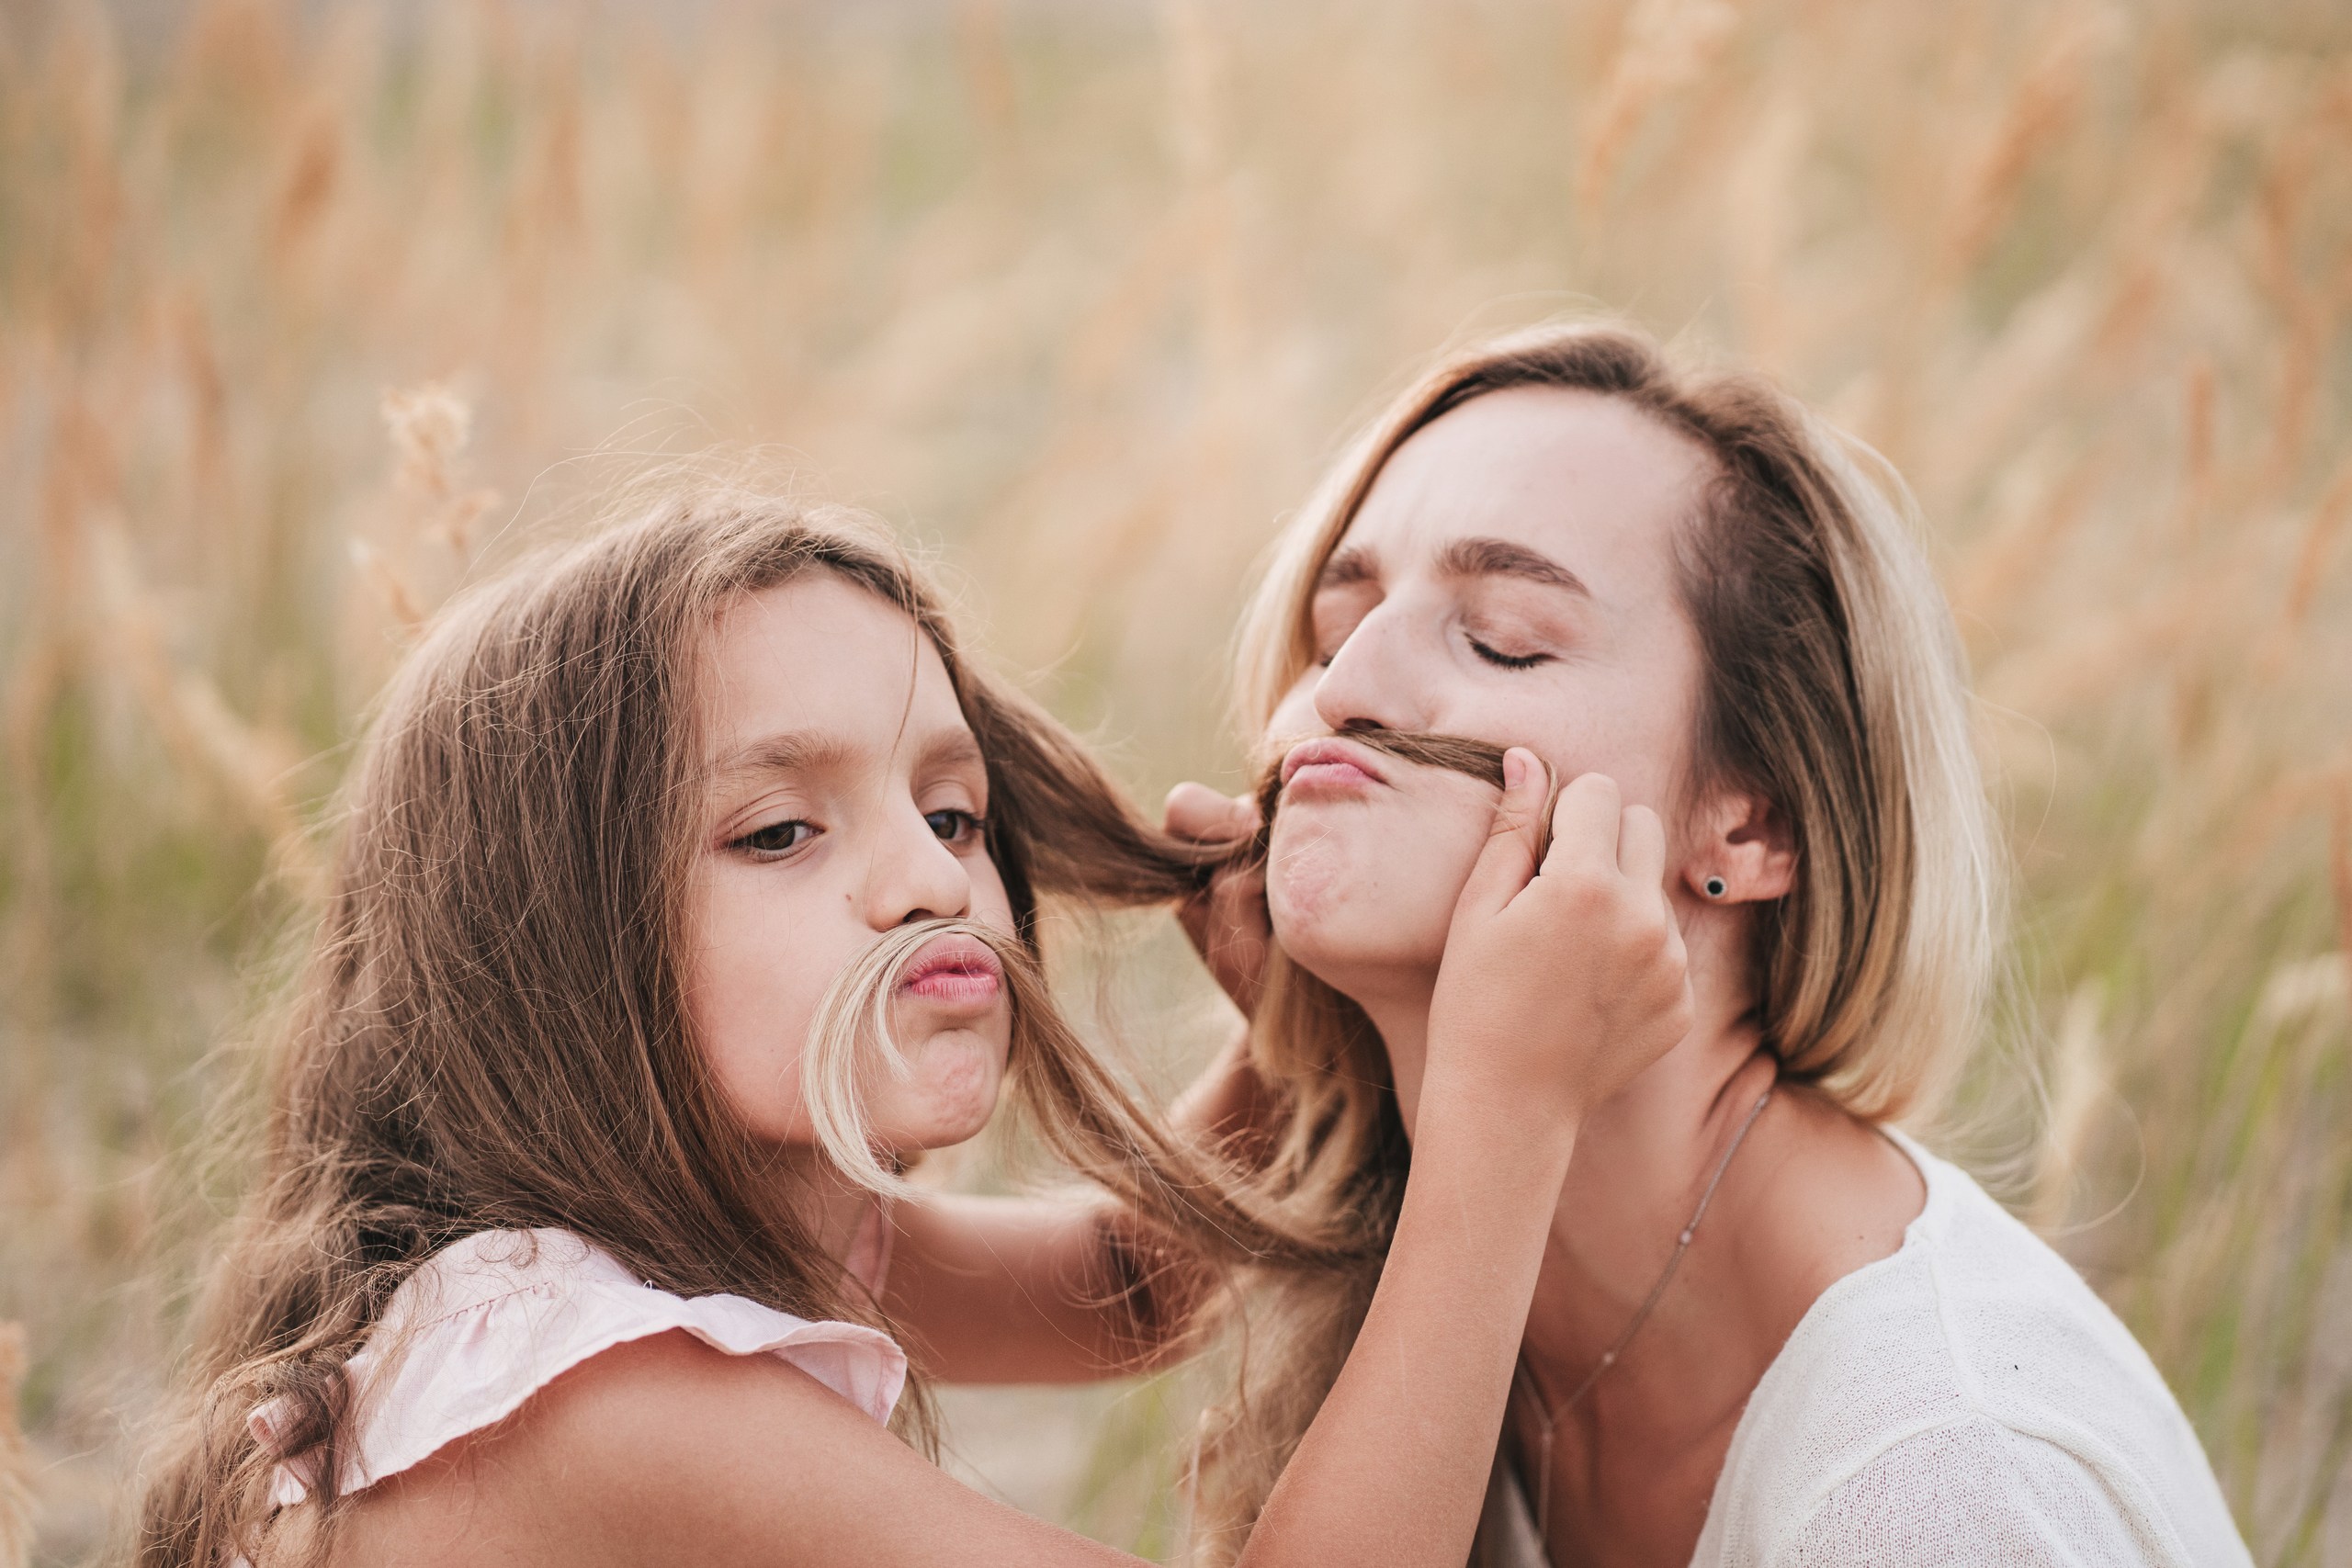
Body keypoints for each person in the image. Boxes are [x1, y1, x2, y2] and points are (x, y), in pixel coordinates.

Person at [132, 482, 1692, 1568]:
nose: (924, 881)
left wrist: (1291, 1040)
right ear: (543, 956)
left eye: (952, 810)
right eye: (776, 835)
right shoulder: (589, 1394)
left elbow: (1122, 1295)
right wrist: (1506, 1104)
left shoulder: (718, 1231)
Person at [1163, 322, 2254, 1568]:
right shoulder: (1446, 1279)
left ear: (1753, 822)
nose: (1345, 686)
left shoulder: (1944, 1491)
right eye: (1329, 621)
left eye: (1503, 635)